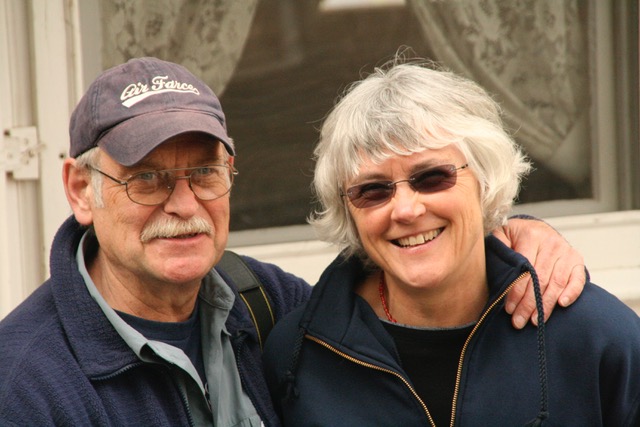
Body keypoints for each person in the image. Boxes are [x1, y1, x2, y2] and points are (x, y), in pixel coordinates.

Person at [0, 57, 585, 426]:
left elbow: (410, 262)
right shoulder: (28, 383)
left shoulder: (266, 303)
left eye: (204, 173)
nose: (183, 205)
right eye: (147, 179)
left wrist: (510, 237)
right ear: (81, 189)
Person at [263, 60, 640, 426]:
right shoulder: (297, 354)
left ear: (485, 179)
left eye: (431, 177)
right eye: (373, 191)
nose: (406, 210)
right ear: (348, 210)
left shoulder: (599, 339)